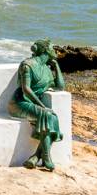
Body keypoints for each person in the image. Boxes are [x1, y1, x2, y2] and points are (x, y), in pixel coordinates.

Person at [10, 39, 65, 171]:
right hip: (20, 103)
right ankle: (46, 158)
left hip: (34, 104)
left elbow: (60, 86)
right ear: (45, 50)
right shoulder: (27, 65)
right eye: (53, 48)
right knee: (47, 114)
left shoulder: (46, 70)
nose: (55, 50)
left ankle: (36, 157)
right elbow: (26, 89)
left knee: (52, 117)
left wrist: (56, 65)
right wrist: (41, 105)